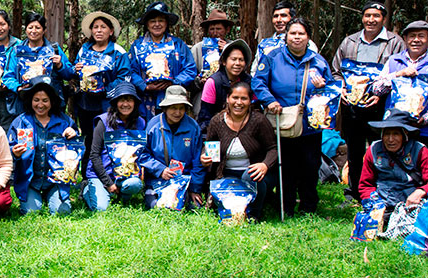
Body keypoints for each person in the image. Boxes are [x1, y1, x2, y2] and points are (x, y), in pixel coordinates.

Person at [330, 0, 406, 202]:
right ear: (362, 18)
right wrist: (342, 89)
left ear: (384, 19)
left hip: (379, 108)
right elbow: (336, 71)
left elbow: (400, 73)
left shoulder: (395, 43)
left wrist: (380, 95)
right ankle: (353, 192)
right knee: (354, 152)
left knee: (381, 150)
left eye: (376, 16)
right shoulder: (350, 41)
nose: (371, 19)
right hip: (352, 108)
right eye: (367, 15)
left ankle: (380, 191)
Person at [252, 18, 332, 215]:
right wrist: (269, 101)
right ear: (285, 36)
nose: (297, 37)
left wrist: (323, 87)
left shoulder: (318, 62)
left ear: (308, 38)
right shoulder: (272, 58)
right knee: (284, 167)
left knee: (310, 166)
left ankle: (308, 207)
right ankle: (285, 206)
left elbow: (332, 90)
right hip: (283, 122)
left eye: (301, 34)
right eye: (293, 33)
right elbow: (258, 82)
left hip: (310, 125)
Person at [369, 21, 428, 154]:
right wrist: (398, 74)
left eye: (421, 36)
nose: (416, 40)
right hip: (394, 129)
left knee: (423, 168)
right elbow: (376, 89)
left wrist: (426, 119)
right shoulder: (394, 61)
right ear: (405, 39)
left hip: (427, 131)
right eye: (412, 36)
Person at [203, 82, 276, 221]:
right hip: (228, 173)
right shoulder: (217, 122)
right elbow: (210, 147)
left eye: (244, 98)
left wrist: (265, 165)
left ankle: (254, 214)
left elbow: (273, 148)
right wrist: (205, 157)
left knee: (250, 176)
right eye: (235, 98)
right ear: (228, 99)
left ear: (250, 101)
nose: (239, 102)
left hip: (256, 174)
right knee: (230, 209)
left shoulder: (259, 121)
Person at [8, 76, 79, 215]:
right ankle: (35, 197)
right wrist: (14, 153)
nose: (40, 105)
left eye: (45, 100)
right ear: (30, 101)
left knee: (62, 212)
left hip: (56, 180)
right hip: (30, 181)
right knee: (31, 212)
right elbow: (7, 150)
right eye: (36, 100)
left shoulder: (65, 121)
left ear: (52, 102)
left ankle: (53, 195)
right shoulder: (20, 122)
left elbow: (76, 152)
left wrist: (73, 135)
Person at [73, 11, 137, 157]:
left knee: (107, 138)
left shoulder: (118, 52)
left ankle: (108, 173)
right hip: (85, 104)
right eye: (95, 27)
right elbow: (76, 69)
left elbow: (124, 77)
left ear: (111, 31)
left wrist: (104, 89)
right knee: (88, 138)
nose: (99, 30)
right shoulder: (84, 49)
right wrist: (76, 69)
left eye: (103, 27)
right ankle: (87, 175)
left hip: (107, 104)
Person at [358, 109, 428, 212]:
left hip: (411, 206)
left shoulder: (419, 151)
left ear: (405, 134)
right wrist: (373, 202)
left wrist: (420, 192)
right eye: (387, 134)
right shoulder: (373, 150)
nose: (390, 139)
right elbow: (365, 185)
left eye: (395, 134)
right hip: (381, 206)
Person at [84, 82, 147, 211]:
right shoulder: (103, 122)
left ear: (135, 103)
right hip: (100, 174)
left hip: (125, 173)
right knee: (101, 208)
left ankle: (120, 194)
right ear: (115, 103)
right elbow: (94, 155)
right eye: (121, 100)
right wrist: (108, 183)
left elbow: (141, 152)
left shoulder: (140, 123)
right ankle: (87, 189)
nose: (125, 104)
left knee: (135, 184)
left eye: (129, 100)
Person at [141, 85, 205, 210]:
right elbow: (143, 154)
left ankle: (186, 195)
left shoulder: (193, 127)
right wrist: (160, 170)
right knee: (156, 206)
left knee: (195, 207)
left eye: (181, 108)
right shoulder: (153, 125)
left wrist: (194, 188)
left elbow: (198, 160)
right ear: (165, 108)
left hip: (184, 180)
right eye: (173, 108)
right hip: (158, 180)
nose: (177, 113)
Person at [128, 2, 194, 118]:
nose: (157, 24)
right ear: (147, 24)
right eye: (153, 21)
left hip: (173, 100)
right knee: (148, 132)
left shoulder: (177, 45)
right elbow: (130, 70)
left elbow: (190, 69)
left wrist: (174, 82)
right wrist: (144, 86)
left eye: (161, 21)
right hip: (144, 102)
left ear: (166, 23)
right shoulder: (137, 46)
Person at [3, 13, 75, 94]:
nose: (33, 31)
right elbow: (8, 77)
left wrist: (60, 66)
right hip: (23, 100)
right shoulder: (17, 51)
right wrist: (18, 87)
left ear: (44, 30)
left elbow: (69, 74)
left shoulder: (54, 49)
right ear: (26, 29)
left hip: (50, 101)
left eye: (38, 28)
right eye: (30, 27)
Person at [197, 40, 254, 132]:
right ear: (224, 61)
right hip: (218, 130)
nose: (237, 63)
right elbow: (205, 116)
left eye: (241, 60)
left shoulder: (249, 81)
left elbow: (254, 109)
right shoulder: (213, 82)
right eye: (233, 59)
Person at [251, 0, 320, 74]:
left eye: (283, 15)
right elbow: (255, 71)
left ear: (293, 18)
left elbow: (313, 69)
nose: (279, 20)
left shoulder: (306, 43)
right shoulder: (264, 44)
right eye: (275, 16)